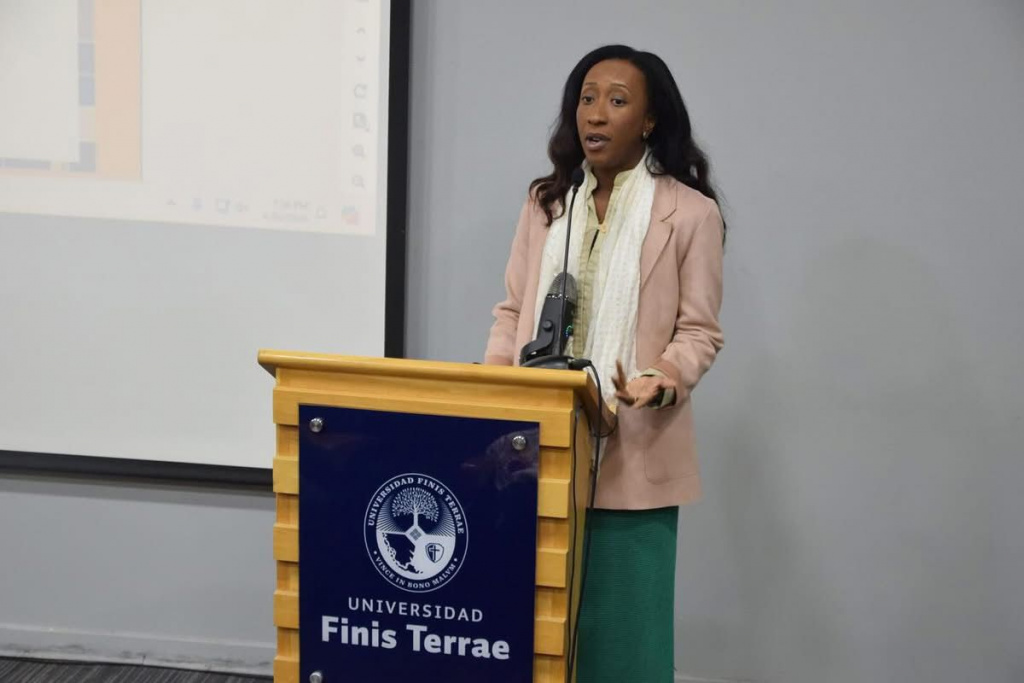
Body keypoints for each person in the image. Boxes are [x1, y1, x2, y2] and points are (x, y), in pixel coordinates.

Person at [484, 44, 726, 681]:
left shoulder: (690, 214)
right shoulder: (546, 203)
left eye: (617, 101)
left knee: (624, 648)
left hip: (633, 453)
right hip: (536, 451)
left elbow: (699, 332)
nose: (596, 113)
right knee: (531, 640)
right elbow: (513, 312)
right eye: (587, 98)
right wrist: (492, 398)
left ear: (648, 120)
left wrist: (660, 379)